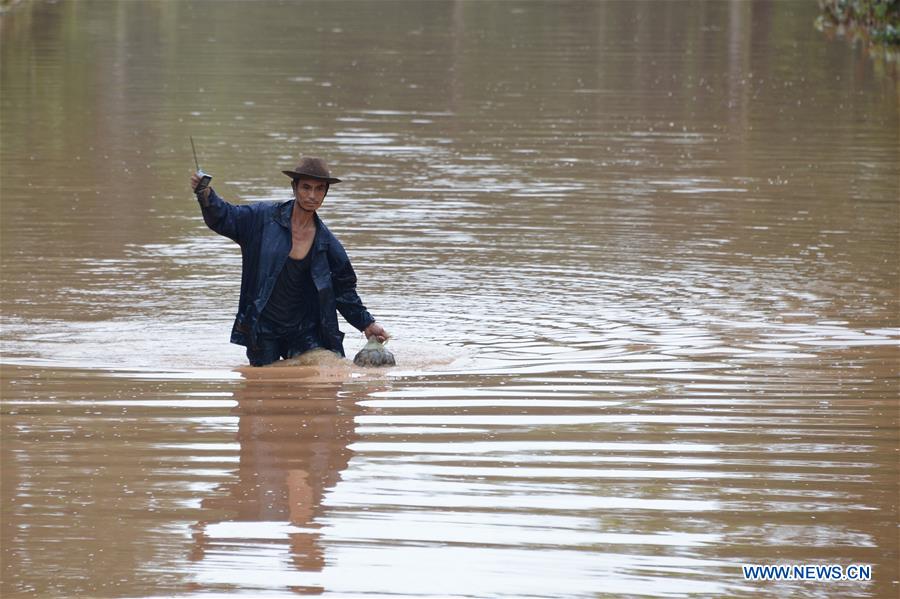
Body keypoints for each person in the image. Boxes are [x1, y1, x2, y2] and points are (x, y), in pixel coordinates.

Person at [190, 156, 389, 366]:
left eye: (319, 189)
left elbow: (344, 291)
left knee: (322, 385)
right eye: (306, 187)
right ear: (294, 187)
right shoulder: (262, 219)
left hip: (305, 330)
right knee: (262, 387)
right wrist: (205, 194)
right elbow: (225, 216)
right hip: (264, 328)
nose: (312, 196)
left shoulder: (328, 244)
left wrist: (367, 324)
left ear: (325, 192)